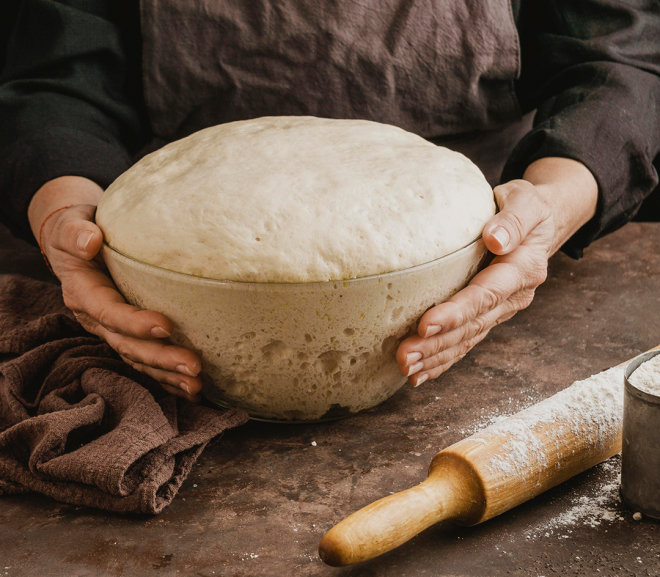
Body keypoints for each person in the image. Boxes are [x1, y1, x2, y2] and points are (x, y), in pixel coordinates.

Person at [1, 0, 659, 402]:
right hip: (160, 258)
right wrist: (67, 220)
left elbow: (619, 58)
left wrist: (545, 207)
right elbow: (57, 66)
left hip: (475, 242)